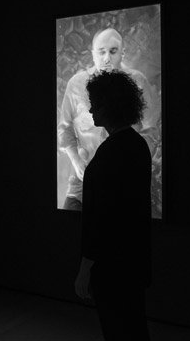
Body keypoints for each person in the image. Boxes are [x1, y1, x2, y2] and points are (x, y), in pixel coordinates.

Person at [74, 70, 152, 340]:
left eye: (96, 103)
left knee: (118, 329)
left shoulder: (111, 152)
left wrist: (85, 269)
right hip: (132, 263)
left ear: (110, 106)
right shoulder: (137, 145)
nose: (91, 109)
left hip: (112, 269)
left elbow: (101, 218)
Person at [57, 27, 159, 211]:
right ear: (92, 53)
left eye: (113, 51)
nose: (106, 58)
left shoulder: (138, 81)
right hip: (83, 182)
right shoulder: (76, 83)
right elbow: (64, 128)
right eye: (101, 52)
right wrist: (76, 159)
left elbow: (151, 130)